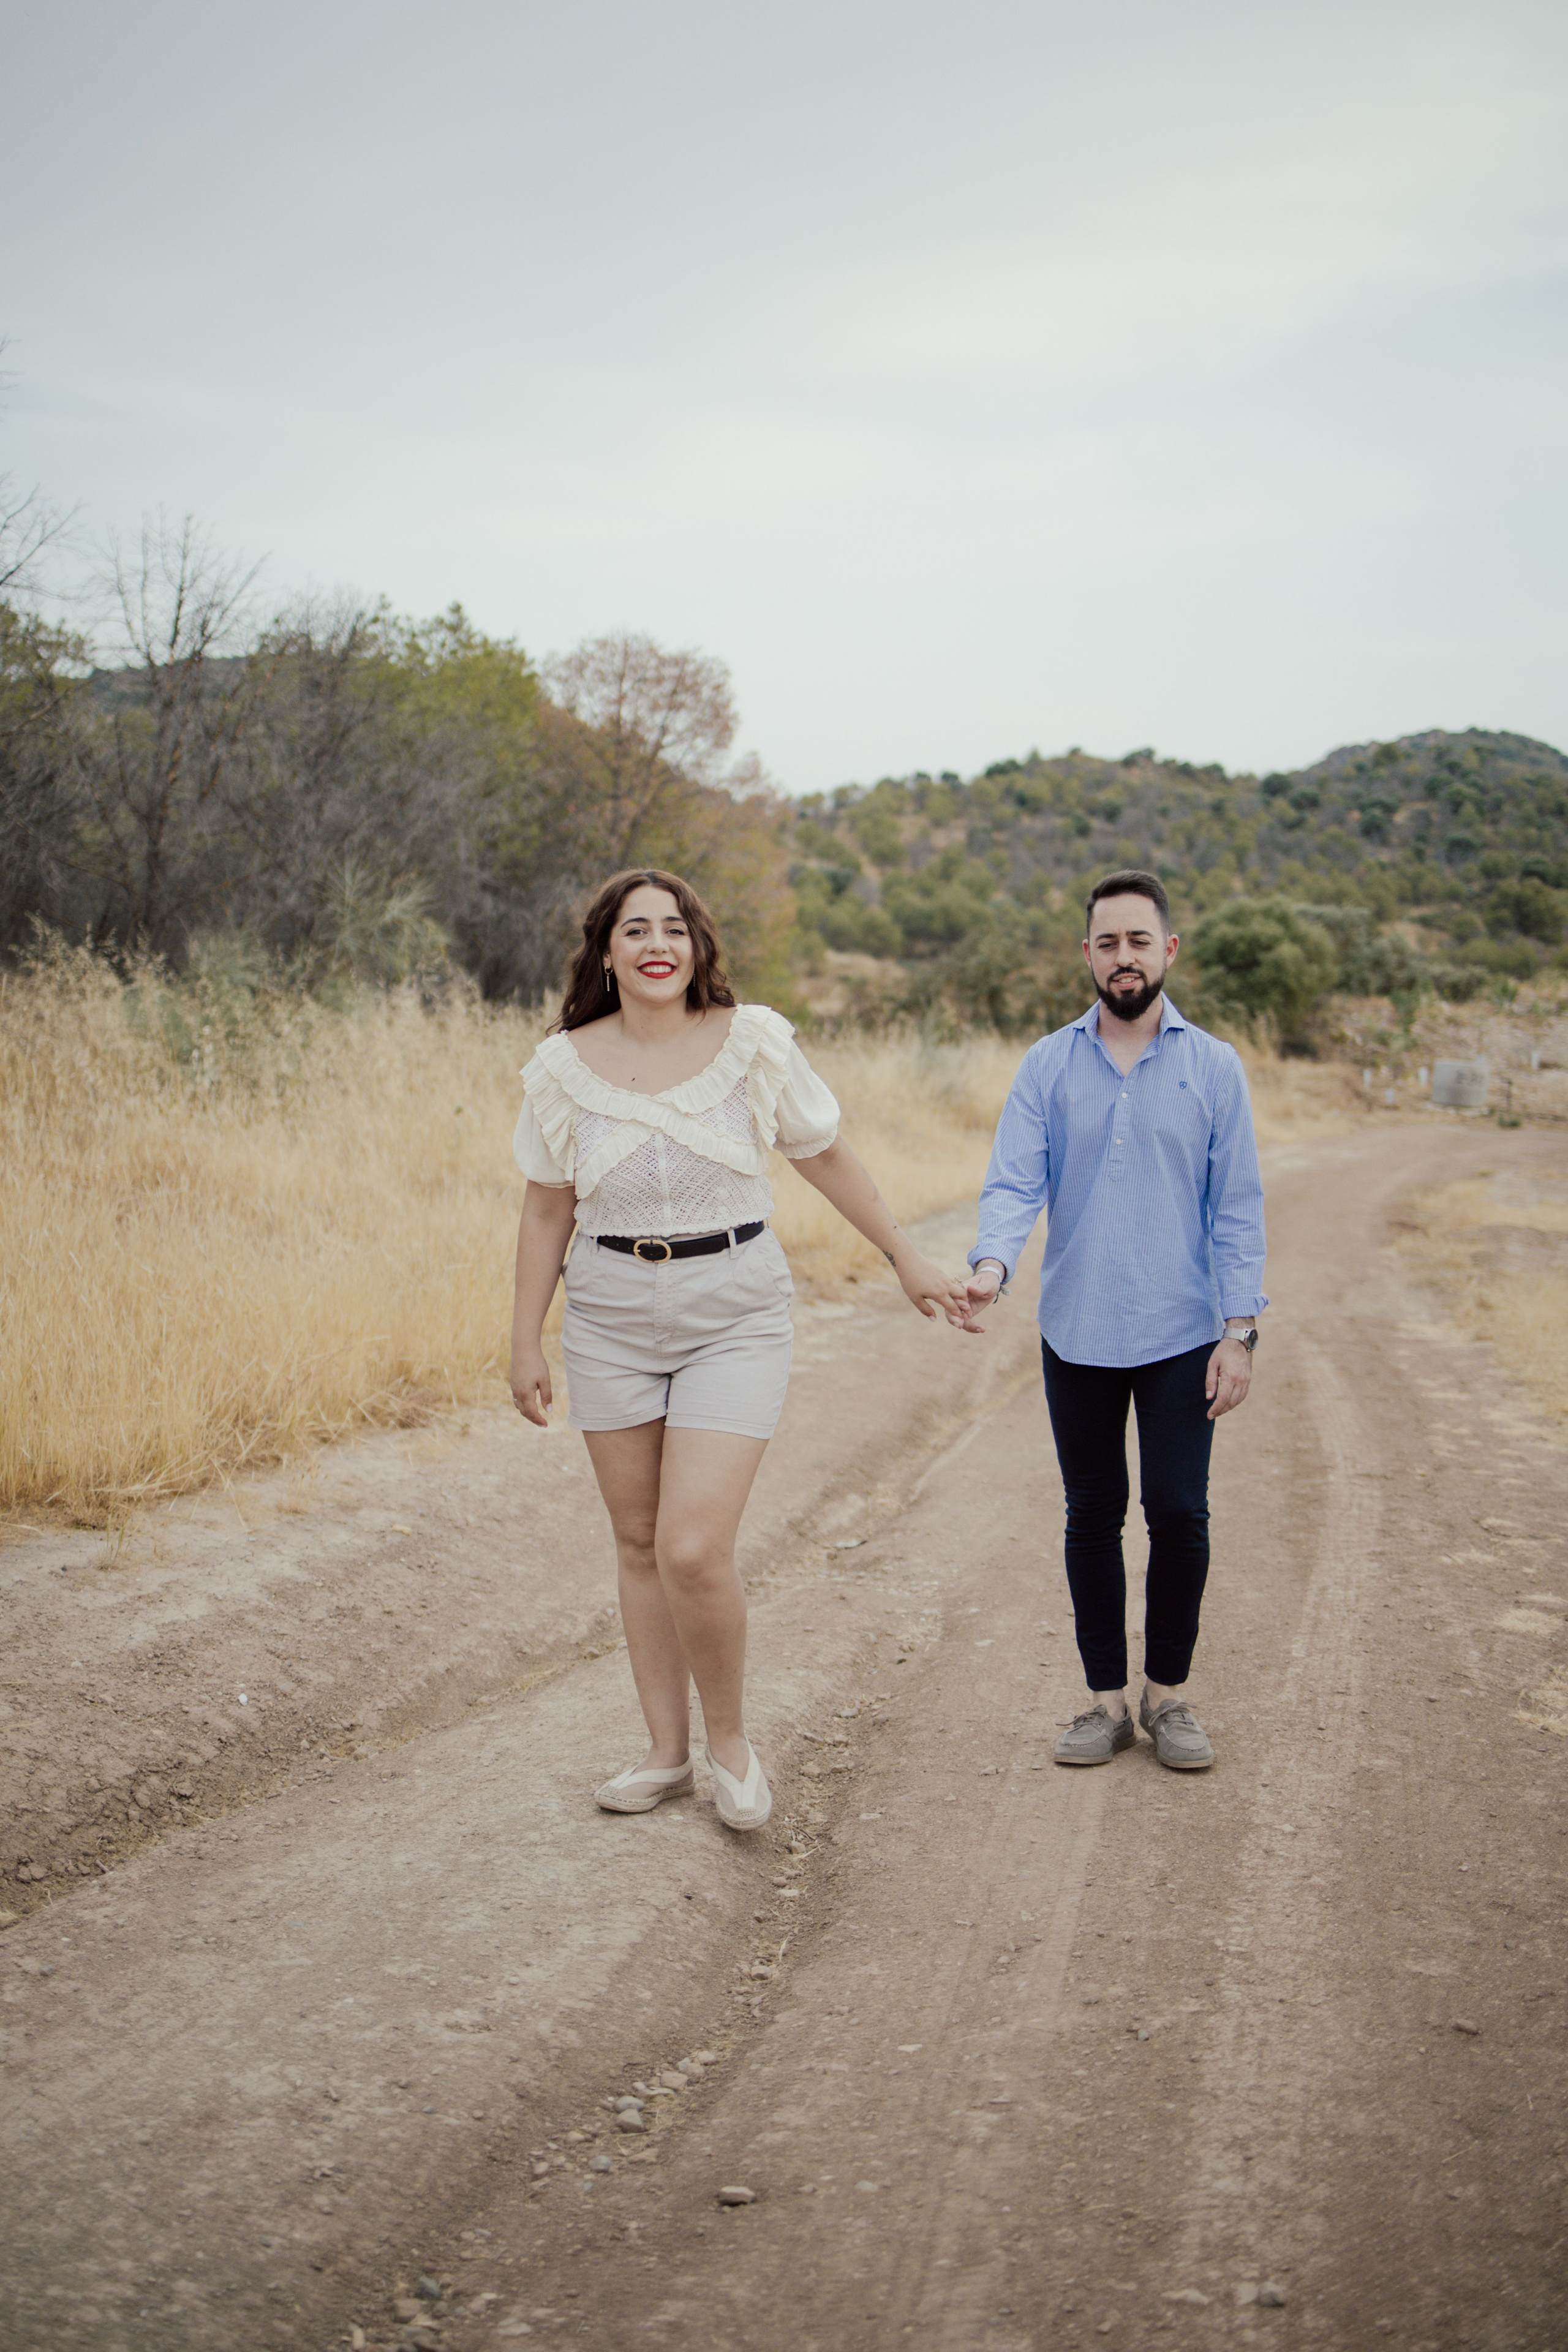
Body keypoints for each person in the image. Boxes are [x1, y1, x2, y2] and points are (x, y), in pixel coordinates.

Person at [508, 868, 968, 1832]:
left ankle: (730, 1748)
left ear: (697, 945)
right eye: (634, 930)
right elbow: (547, 1206)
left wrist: (907, 1257)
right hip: (609, 1314)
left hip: (735, 1309)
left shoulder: (753, 1043)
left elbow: (825, 1154)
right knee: (638, 1544)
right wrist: (524, 1341)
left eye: (672, 927)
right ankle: (664, 1755)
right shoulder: (561, 1066)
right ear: (606, 953)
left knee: (692, 1546)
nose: (654, 943)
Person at [960, 869, 1267, 1771]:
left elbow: (1238, 1206)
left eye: (1139, 941)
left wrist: (1240, 1333)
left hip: (1182, 1329)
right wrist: (990, 1265)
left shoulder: (1214, 1067)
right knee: (1092, 1512)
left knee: (1178, 1510)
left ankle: (1167, 1696)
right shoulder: (1048, 1064)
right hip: (1078, 1330)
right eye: (1107, 942)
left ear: (1167, 950)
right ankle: (1104, 1702)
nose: (1123, 958)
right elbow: (1015, 1182)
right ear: (1087, 954)